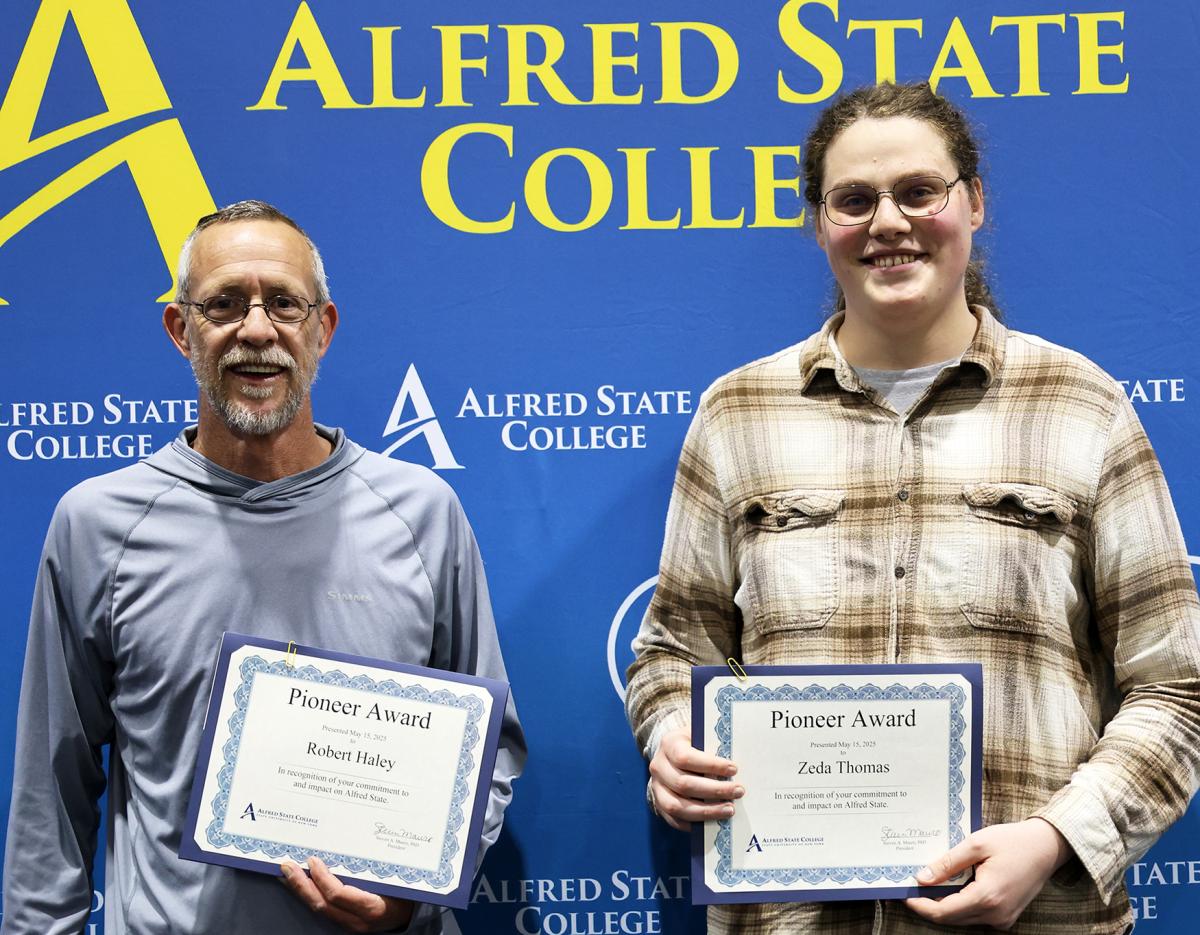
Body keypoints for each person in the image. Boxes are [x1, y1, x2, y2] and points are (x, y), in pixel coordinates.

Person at [625, 81, 1200, 934]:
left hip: (1041, 917)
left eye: (918, 191)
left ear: (973, 202)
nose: (887, 222)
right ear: (819, 223)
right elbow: (674, 650)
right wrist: (673, 738)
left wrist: (1053, 838)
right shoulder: (737, 414)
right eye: (853, 199)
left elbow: (1177, 687)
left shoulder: (1082, 405)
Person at [2, 201, 525, 935]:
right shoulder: (97, 523)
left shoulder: (422, 510)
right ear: (181, 330)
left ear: (323, 329)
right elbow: (49, 791)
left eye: (283, 303)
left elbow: (488, 745)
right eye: (223, 304)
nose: (256, 330)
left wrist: (420, 893)